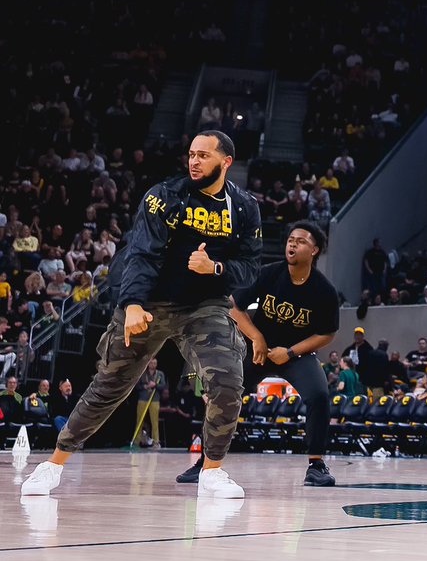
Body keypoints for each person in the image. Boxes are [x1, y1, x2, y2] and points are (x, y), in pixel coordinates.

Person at [21, 131, 262, 499]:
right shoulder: (164, 196)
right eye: (191, 154)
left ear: (225, 162)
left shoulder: (244, 208)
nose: (194, 161)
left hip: (204, 305)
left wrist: (214, 268)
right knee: (108, 387)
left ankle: (212, 471)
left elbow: (249, 267)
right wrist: (133, 302)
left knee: (227, 381)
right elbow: (141, 253)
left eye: (203, 155)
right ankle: (53, 464)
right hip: (149, 302)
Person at [177, 221, 339, 487]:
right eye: (290, 239)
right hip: (258, 350)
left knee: (320, 395)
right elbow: (234, 307)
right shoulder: (270, 273)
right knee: (225, 394)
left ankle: (317, 465)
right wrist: (257, 338)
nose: (292, 244)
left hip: (295, 354)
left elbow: (327, 333)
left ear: (314, 250)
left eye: (300, 241)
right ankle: (205, 462)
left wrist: (289, 352)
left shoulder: (324, 290)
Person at [132, 357, 167, 448]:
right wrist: (145, 386)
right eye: (151, 363)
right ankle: (137, 441)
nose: (153, 365)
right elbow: (137, 386)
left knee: (154, 421)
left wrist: (155, 385)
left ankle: (156, 441)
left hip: (154, 399)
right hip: (143, 399)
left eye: (155, 363)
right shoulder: (142, 373)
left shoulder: (160, 374)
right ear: (148, 364)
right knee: (139, 420)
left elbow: (163, 386)